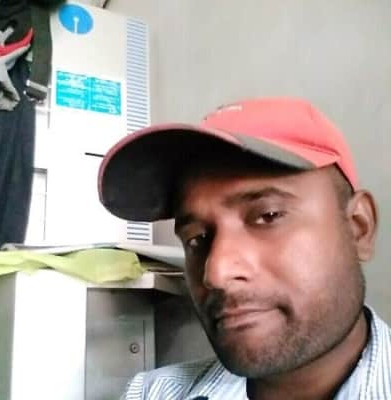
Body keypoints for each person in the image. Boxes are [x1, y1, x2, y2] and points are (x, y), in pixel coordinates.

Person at [98, 98, 391, 399]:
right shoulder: (152, 393)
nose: (217, 273)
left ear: (359, 228)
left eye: (268, 216)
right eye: (196, 238)